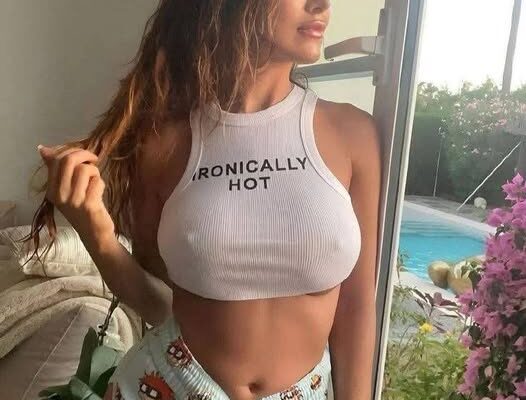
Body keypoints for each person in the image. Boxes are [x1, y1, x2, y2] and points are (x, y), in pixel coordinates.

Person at [31, 0, 381, 399]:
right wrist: (96, 233)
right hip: (167, 385)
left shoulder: (352, 134)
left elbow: (356, 307)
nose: (322, 4)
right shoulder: (165, 143)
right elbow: (156, 304)